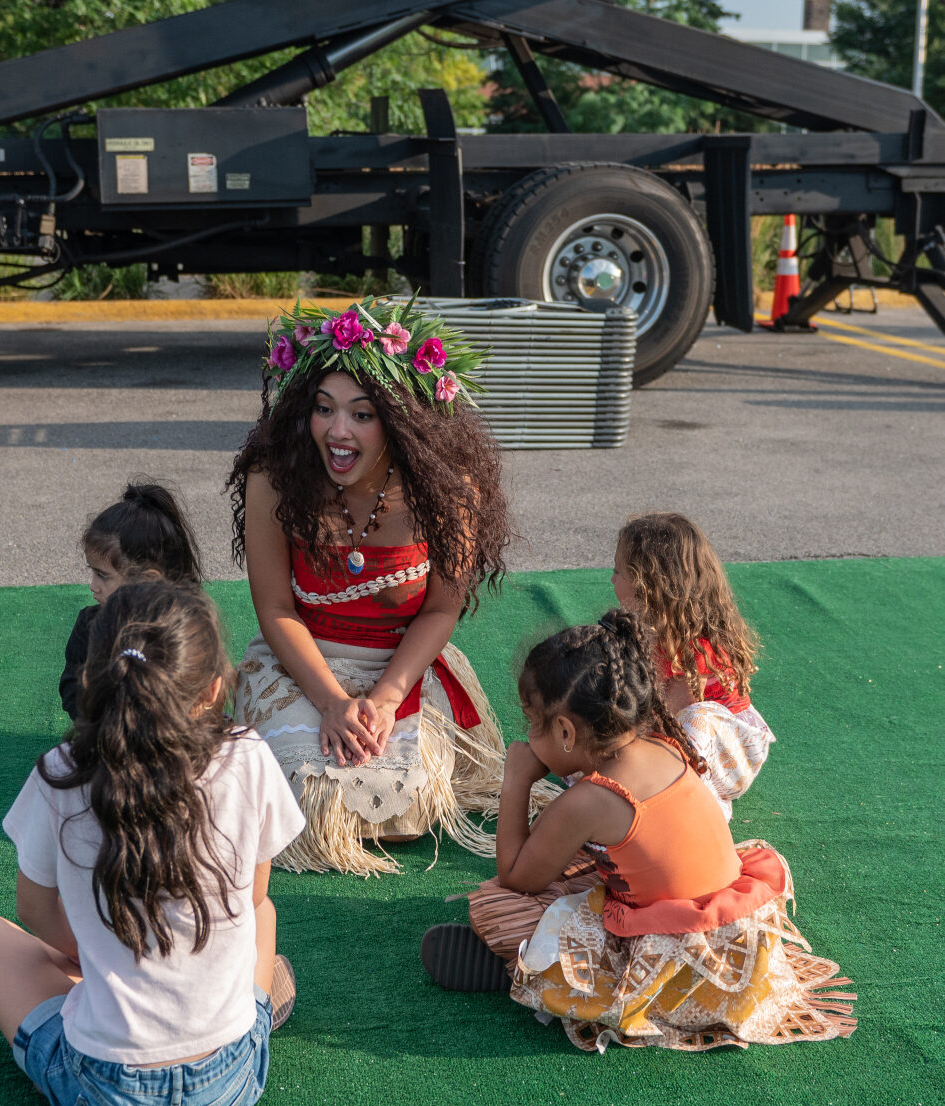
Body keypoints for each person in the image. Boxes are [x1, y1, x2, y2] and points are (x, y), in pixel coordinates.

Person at [0, 581, 303, 1106]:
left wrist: (94, 955)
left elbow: (33, 910)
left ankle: (106, 980)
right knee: (262, 918)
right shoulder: (247, 753)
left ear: (92, 678)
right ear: (213, 689)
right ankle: (255, 1006)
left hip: (106, 1096)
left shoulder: (61, 771)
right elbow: (254, 896)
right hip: (234, 1080)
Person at [421, 611, 855, 1053]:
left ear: (567, 731)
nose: (528, 738)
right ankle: (534, 963)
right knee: (577, 865)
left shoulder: (590, 800)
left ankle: (530, 970)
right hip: (735, 941)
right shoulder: (662, 743)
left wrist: (516, 781)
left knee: (497, 906)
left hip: (676, 967)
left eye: (533, 724)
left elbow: (515, 876)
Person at [226, 296, 549, 875]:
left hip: (401, 666)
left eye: (362, 414)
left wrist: (384, 698)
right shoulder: (272, 480)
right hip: (303, 662)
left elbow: (439, 612)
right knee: (311, 791)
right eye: (323, 409)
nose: (338, 431)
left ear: (402, 422)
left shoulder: (449, 492)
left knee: (404, 804)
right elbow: (275, 609)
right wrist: (329, 702)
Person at [614, 512, 774, 817]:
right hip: (686, 737)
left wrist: (625, 753)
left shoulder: (692, 647)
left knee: (696, 716)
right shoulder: (647, 629)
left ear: (648, 585)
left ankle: (703, 806)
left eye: (618, 572)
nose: (612, 579)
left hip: (731, 753)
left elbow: (674, 723)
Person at [60, 482, 203, 721]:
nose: (92, 585)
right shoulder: (89, 625)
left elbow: (197, 694)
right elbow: (70, 690)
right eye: (93, 572)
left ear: (147, 581)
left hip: (170, 737)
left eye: (103, 575)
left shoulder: (184, 630)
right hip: (106, 737)